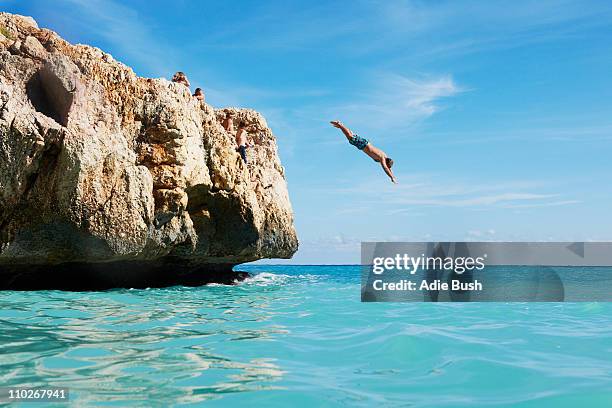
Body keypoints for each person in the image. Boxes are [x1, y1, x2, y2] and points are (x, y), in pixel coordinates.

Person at [330, 120, 397, 183]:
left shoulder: (384, 155)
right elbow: (385, 168)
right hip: (364, 145)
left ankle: (341, 126)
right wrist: (391, 177)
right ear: (385, 162)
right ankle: (340, 125)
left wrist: (393, 176)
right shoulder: (382, 158)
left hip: (366, 144)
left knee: (352, 135)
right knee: (351, 137)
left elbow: (388, 168)